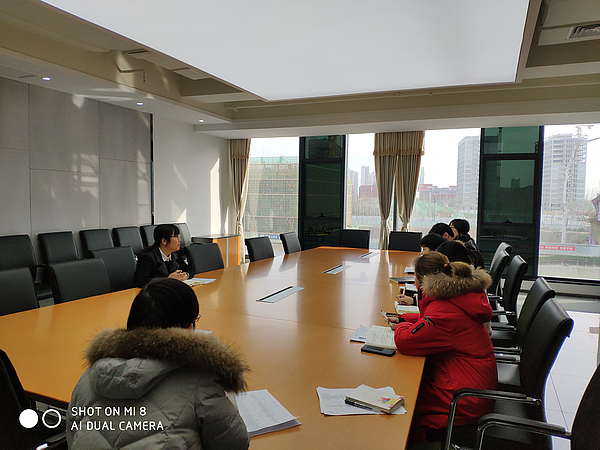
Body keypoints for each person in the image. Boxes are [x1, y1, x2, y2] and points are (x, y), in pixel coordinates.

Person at [66, 278, 250, 450]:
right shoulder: (201, 384)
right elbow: (235, 443)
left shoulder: (88, 378)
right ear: (187, 328)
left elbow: (72, 435)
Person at [391, 252, 496, 448]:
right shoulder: (457, 297)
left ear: (422, 280)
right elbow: (429, 322)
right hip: (470, 385)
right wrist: (406, 319)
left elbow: (405, 341)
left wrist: (401, 326)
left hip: (463, 400)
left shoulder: (445, 311)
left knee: (404, 404)